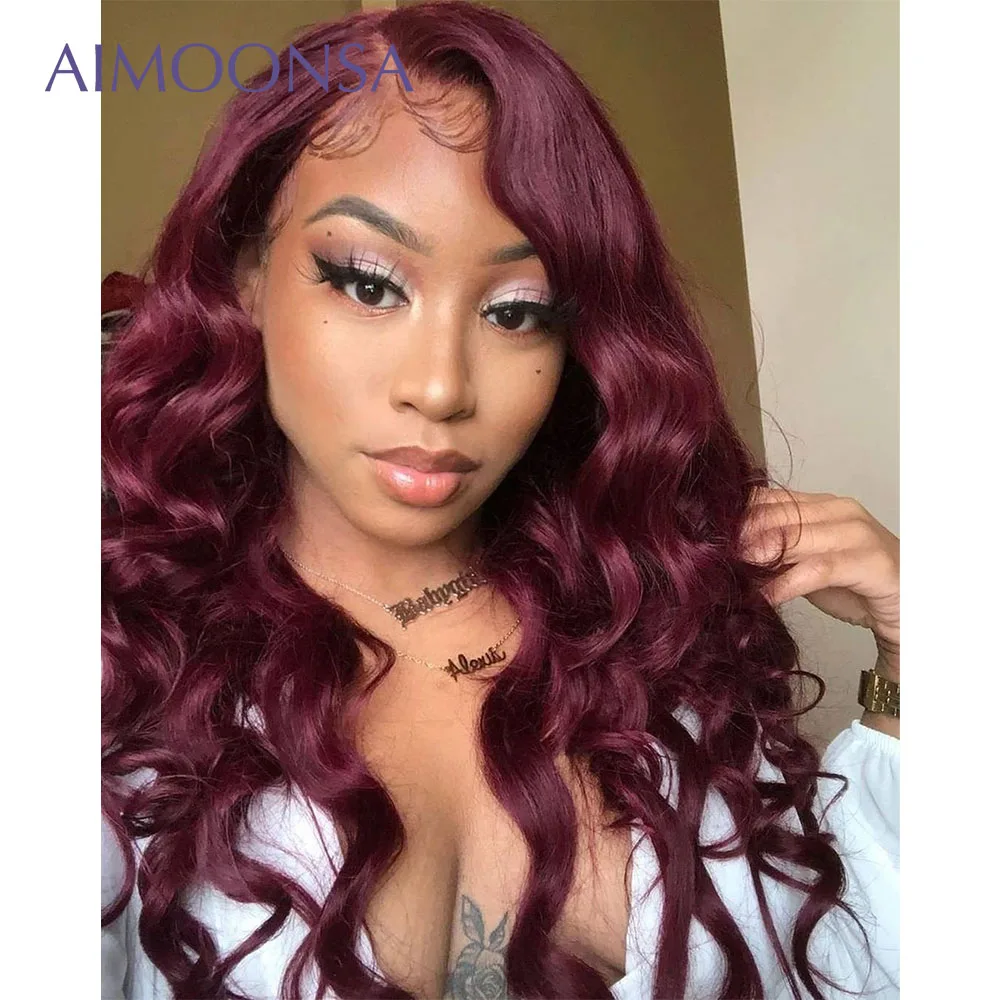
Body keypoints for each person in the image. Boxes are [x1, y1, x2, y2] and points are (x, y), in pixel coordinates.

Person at [101, 3, 900, 998]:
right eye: (367, 284)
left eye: (516, 311)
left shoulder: (646, 628)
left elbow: (855, 956)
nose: (440, 387)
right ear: (246, 278)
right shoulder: (122, 660)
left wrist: (913, 657)